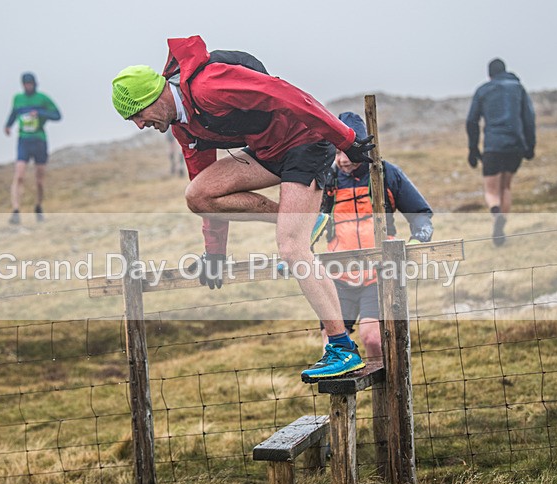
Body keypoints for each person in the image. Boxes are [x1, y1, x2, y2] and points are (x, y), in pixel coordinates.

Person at [111, 35, 375, 382]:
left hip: (306, 143)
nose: (140, 125)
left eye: (138, 115)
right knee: (198, 194)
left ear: (152, 97)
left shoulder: (209, 85)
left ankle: (342, 348)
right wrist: (215, 254)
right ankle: (303, 221)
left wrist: (345, 139)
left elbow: (287, 94)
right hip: (267, 152)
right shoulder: (184, 127)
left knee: (292, 248)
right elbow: (206, 189)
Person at [318, 112, 433, 360]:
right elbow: (308, 223)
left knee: (372, 338)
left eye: (346, 152)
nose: (341, 160)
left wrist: (414, 245)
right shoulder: (327, 179)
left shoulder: (386, 174)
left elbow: (421, 215)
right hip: (338, 276)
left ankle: (383, 394)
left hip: (378, 275)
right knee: (331, 343)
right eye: (336, 152)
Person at [466, 58, 536, 246]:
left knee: (491, 189)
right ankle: (501, 225)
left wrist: (473, 149)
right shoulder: (518, 88)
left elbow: (471, 120)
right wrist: (531, 146)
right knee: (506, 186)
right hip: (516, 146)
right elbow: (529, 118)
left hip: (493, 146)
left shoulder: (483, 90)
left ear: (490, 74)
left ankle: (496, 214)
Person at [4, 72, 61, 224]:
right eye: (25, 84)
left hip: (39, 140)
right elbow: (13, 113)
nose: (28, 86)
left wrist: (40, 113)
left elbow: (57, 115)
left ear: (35, 83)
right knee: (19, 175)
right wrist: (8, 125)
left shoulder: (43, 98)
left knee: (39, 180)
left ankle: (38, 206)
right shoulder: (18, 99)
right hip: (24, 140)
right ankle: (16, 210)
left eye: (30, 83)